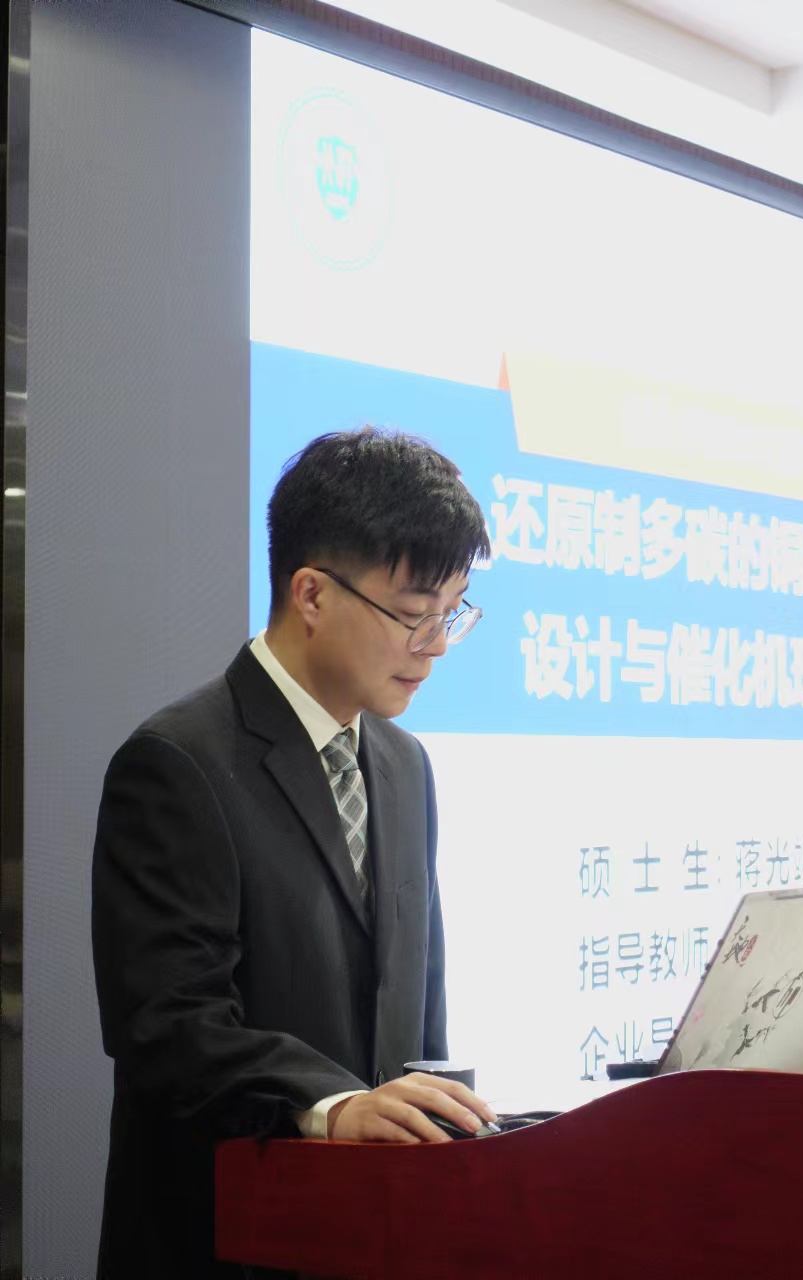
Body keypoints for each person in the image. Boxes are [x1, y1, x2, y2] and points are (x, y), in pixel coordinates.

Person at [91, 427, 495, 1278]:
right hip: (224, 1240)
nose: (436, 644)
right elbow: (168, 1025)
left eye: (453, 612)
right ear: (311, 593)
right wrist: (333, 1106)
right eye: (413, 613)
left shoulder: (403, 764)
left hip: (377, 1238)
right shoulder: (178, 761)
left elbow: (416, 1009)